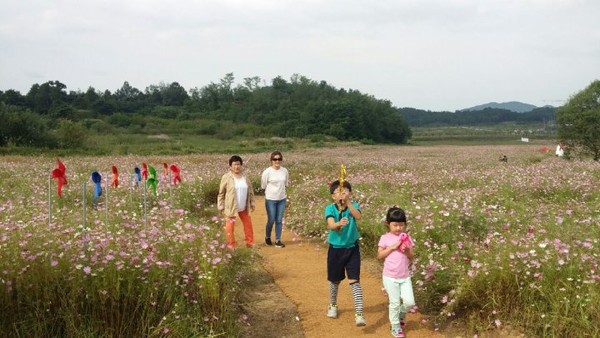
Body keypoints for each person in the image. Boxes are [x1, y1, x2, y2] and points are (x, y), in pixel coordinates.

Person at [324, 179, 366, 326]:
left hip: (352, 248)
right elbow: (330, 225)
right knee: (334, 281)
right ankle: (333, 305)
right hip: (335, 249)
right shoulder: (330, 208)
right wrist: (338, 224)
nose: (342, 194)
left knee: (354, 281)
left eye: (345, 191)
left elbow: (358, 216)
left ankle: (360, 313)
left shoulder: (353, 206)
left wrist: (347, 203)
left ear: (350, 193)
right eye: (338, 192)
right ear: (332, 196)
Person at [377, 207, 416, 338]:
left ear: (405, 224)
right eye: (395, 225)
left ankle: (400, 314)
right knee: (394, 302)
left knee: (409, 302)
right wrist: (392, 247)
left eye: (401, 225)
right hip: (390, 276)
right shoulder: (385, 238)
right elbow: (379, 255)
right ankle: (395, 326)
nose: (398, 228)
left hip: (405, 276)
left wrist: (406, 251)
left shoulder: (407, 238)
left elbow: (412, 256)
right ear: (388, 224)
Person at [217, 155, 256, 249]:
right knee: (230, 227)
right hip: (231, 207)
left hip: (243, 206)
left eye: (238, 164)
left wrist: (252, 203)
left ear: (241, 165)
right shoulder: (226, 177)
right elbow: (221, 193)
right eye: (234, 164)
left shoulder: (245, 178)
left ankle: (250, 243)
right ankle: (231, 245)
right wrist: (220, 206)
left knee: (248, 225)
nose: (237, 166)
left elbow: (250, 191)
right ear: (230, 166)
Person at [261, 151, 289, 248]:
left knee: (279, 220)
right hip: (270, 199)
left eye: (279, 159)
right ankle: (267, 237)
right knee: (271, 219)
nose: (277, 161)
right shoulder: (267, 172)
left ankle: (278, 240)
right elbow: (263, 185)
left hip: (282, 198)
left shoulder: (284, 171)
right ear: (271, 160)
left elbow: (286, 184)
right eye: (275, 159)